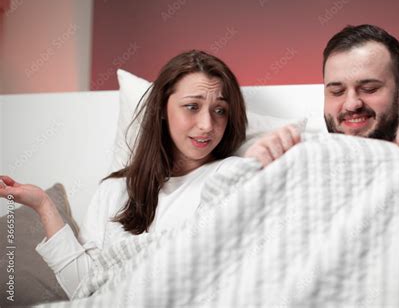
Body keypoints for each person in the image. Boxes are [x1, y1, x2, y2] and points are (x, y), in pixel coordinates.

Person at [0, 50, 250, 298]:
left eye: (219, 110)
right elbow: (83, 289)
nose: (207, 124)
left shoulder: (231, 175)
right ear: (162, 109)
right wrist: (44, 206)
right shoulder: (114, 189)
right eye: (192, 107)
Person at [247, 24, 399, 220]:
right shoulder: (294, 161)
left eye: (369, 89)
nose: (351, 103)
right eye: (337, 91)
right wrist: (253, 176)